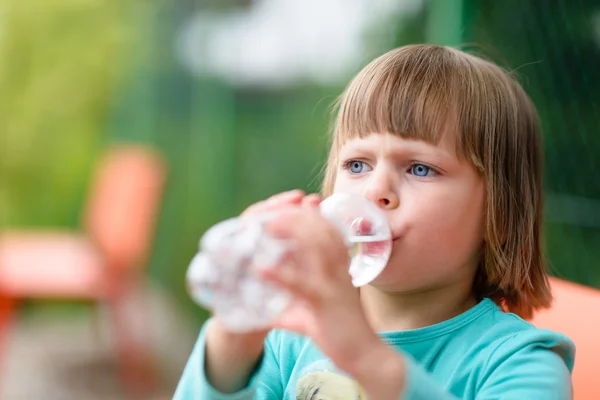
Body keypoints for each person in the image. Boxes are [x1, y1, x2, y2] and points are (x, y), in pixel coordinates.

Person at [174, 44, 575, 399]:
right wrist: (232, 340)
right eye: (357, 164)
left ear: (499, 214)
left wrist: (364, 355)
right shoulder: (289, 338)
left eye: (419, 168)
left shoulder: (519, 363)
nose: (374, 190)